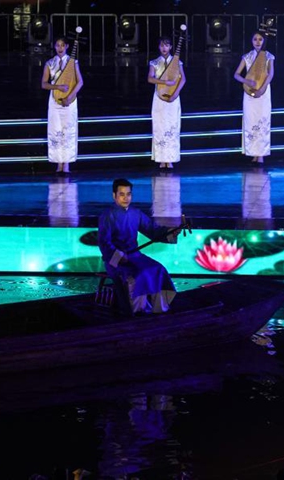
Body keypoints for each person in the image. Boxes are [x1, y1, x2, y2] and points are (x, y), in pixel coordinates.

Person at [98, 179, 177, 314]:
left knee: (158, 269)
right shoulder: (107, 215)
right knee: (137, 275)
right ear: (114, 195)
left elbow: (152, 230)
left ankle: (160, 309)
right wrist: (118, 256)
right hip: (116, 260)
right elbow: (104, 243)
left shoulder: (136, 213)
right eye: (122, 194)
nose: (126, 198)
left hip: (135, 255)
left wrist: (171, 231)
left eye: (128, 194)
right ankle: (139, 311)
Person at [41, 36, 84, 173]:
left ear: (66, 47)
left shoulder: (72, 62)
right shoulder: (50, 63)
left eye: (62, 45)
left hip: (70, 102)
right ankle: (58, 163)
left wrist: (70, 98)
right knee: (56, 131)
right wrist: (57, 88)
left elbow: (80, 82)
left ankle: (67, 164)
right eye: (57, 45)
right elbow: (44, 84)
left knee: (68, 131)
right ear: (54, 47)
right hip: (54, 101)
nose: (60, 48)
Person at [234, 32, 274, 164]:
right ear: (251, 41)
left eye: (260, 39)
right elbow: (236, 75)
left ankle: (261, 154)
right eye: (255, 39)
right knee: (251, 121)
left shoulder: (268, 56)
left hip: (264, 92)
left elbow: (270, 74)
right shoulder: (247, 56)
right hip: (249, 93)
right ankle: (252, 152)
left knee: (262, 121)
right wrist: (247, 82)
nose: (258, 42)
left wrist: (262, 89)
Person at [147, 36, 185, 169]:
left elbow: (183, 80)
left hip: (173, 99)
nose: (164, 48)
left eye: (167, 45)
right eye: (162, 45)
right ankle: (161, 159)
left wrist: (175, 94)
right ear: (159, 47)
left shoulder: (177, 62)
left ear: (170, 47)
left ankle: (171, 159)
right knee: (160, 127)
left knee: (172, 126)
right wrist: (164, 82)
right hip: (159, 99)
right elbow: (150, 79)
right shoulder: (154, 63)